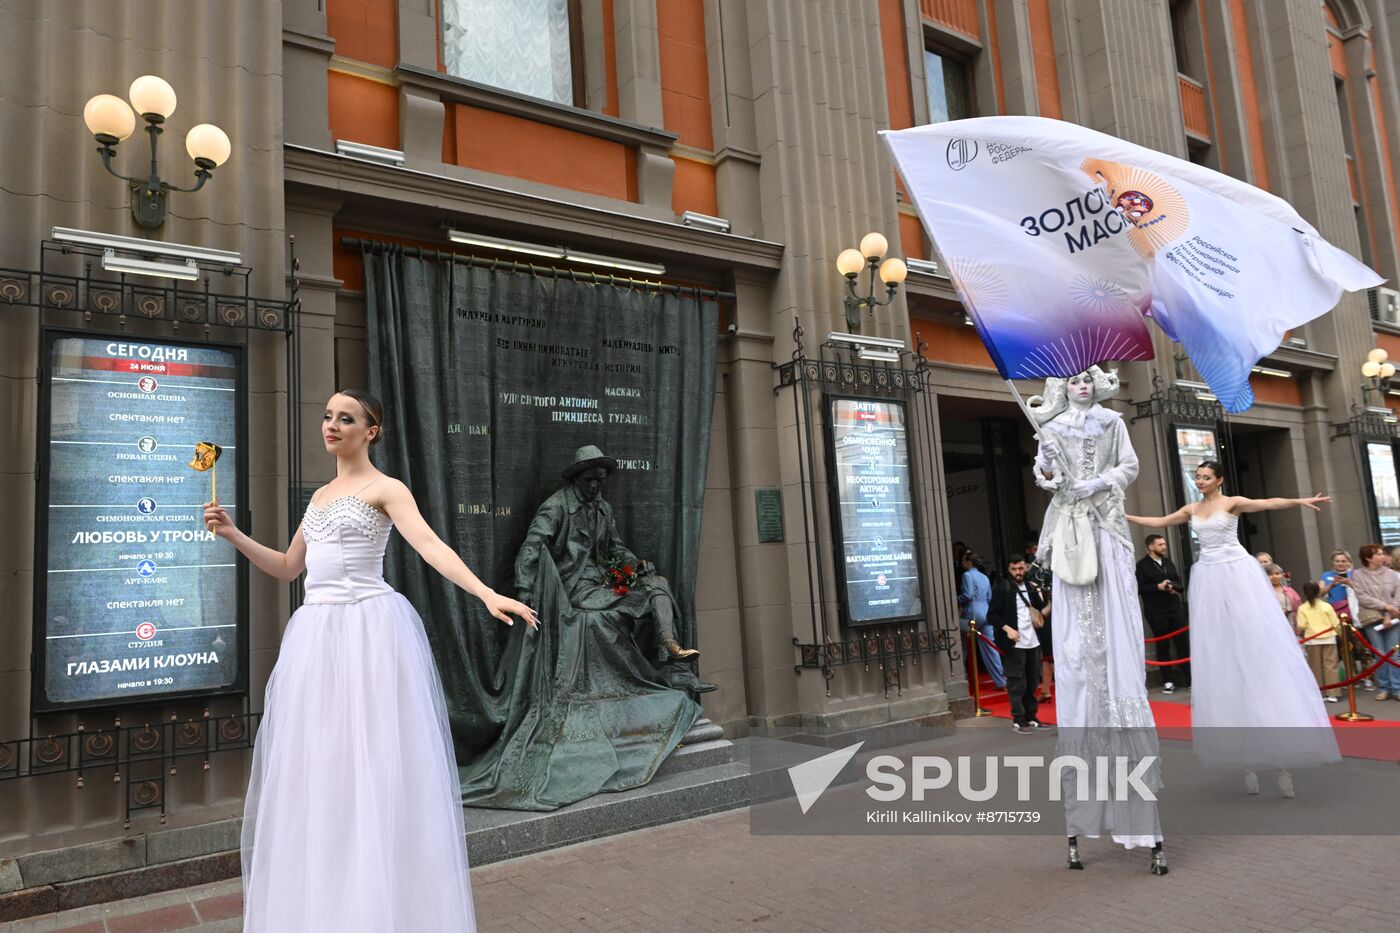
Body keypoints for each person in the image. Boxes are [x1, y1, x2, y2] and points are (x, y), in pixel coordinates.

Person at [205, 390, 537, 932]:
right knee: (322, 773)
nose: (332, 425)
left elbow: (429, 544)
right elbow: (290, 568)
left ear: (371, 430)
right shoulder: (318, 498)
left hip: (370, 634)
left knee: (376, 768)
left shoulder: (386, 489)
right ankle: (334, 907)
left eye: (346, 418)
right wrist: (234, 533)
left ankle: (387, 908)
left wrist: (484, 593)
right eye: (328, 416)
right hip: (317, 638)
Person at [1128, 460, 1339, 798]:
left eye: (1206, 477)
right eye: (1197, 477)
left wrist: (1300, 502)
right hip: (1210, 575)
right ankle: (1249, 763)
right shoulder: (1192, 508)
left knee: (1255, 640)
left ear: (1219, 479)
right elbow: (1160, 521)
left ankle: (1278, 759)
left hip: (1237, 571)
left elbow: (1268, 503)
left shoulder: (1232, 502)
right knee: (1221, 650)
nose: (1201, 481)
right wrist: (1122, 517)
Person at [1029, 366, 1166, 874]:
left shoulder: (1112, 423)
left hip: (1105, 531)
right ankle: (1081, 814)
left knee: (1116, 649)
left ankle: (1141, 820)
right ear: (1062, 387)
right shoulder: (1053, 428)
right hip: (1069, 540)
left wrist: (1096, 482)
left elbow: (1128, 468)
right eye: (1073, 382)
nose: (1081, 388)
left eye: (1088, 381)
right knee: (1076, 656)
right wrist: (1050, 471)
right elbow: (1043, 479)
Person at [515, 445, 700, 662]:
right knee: (646, 598)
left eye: (600, 480)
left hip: (603, 581)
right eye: (588, 480)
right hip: (574, 586)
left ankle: (670, 650)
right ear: (576, 478)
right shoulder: (556, 507)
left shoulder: (603, 508)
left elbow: (616, 548)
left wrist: (635, 564)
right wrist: (524, 590)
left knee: (658, 583)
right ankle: (668, 656)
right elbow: (532, 547)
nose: (594, 485)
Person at [990, 555, 1050, 732]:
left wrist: (1049, 599)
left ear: (1026, 568)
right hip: (1014, 644)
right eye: (1014, 569)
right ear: (1009, 570)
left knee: (1032, 682)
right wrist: (1008, 629)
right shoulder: (1003, 588)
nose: (1018, 572)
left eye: (1021, 569)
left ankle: (1032, 716)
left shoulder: (1031, 587)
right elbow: (992, 615)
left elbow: (1040, 612)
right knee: (1017, 683)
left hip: (1033, 642)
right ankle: (1018, 718)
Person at [1135, 535, 1189, 693]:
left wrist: (1173, 587)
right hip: (1156, 612)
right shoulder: (1142, 566)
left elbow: (1180, 583)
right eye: (1160, 544)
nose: (1164, 546)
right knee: (1163, 646)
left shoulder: (1168, 562)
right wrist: (1157, 587)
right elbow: (1138, 588)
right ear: (1151, 547)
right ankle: (1168, 681)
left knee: (1182, 644)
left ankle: (1189, 679)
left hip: (1174, 609)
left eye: (1165, 543)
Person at [1348, 544, 1400, 701]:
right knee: (1379, 653)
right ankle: (1384, 688)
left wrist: (1388, 614)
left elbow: (1398, 595)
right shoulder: (1358, 575)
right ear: (1368, 558)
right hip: (1371, 618)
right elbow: (1363, 597)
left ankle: (1397, 688)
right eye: (1378, 554)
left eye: (1382, 554)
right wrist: (1386, 606)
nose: (1383, 556)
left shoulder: (1391, 574)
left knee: (1394, 653)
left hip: (1393, 617)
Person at [1320, 550, 1371, 692]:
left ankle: (1368, 677)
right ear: (1332, 563)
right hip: (1336, 617)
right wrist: (1331, 585)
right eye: (1337, 561)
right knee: (1344, 648)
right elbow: (1319, 593)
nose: (1340, 564)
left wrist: (1350, 583)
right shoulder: (1326, 575)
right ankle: (1351, 676)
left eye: (1343, 561)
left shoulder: (1357, 574)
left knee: (1362, 647)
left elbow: (1366, 591)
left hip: (1355, 615)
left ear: (1349, 562)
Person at [959, 552, 1005, 689]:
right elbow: (990, 597)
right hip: (986, 611)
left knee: (959, 637)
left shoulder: (967, 575)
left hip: (972, 612)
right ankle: (1001, 681)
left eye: (963, 560)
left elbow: (967, 595)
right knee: (991, 647)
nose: (962, 562)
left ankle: (963, 675)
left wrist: (955, 599)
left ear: (968, 562)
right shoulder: (984, 577)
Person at [1295, 582, 1341, 703]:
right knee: (1330, 666)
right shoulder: (1327, 606)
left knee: (1316, 667)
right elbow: (1336, 623)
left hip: (1312, 639)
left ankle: (1319, 691)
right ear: (1318, 591)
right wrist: (1340, 635)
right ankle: (1333, 693)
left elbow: (1301, 626)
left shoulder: (1302, 608)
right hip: (1329, 638)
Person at [1025, 539, 1055, 702]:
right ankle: (1045, 691)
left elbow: (1049, 603)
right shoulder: (1046, 571)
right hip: (1047, 619)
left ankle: (1050, 691)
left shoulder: (1040, 574)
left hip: (1047, 619)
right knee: (1048, 656)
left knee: (1051, 656)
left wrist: (1044, 612)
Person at [1267, 564, 1302, 631]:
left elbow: (1299, 607)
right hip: (1273, 626)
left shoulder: (1290, 590)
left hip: (1291, 624)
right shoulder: (1264, 592)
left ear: (1282, 575)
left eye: (1277, 574)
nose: (1274, 576)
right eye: (1270, 574)